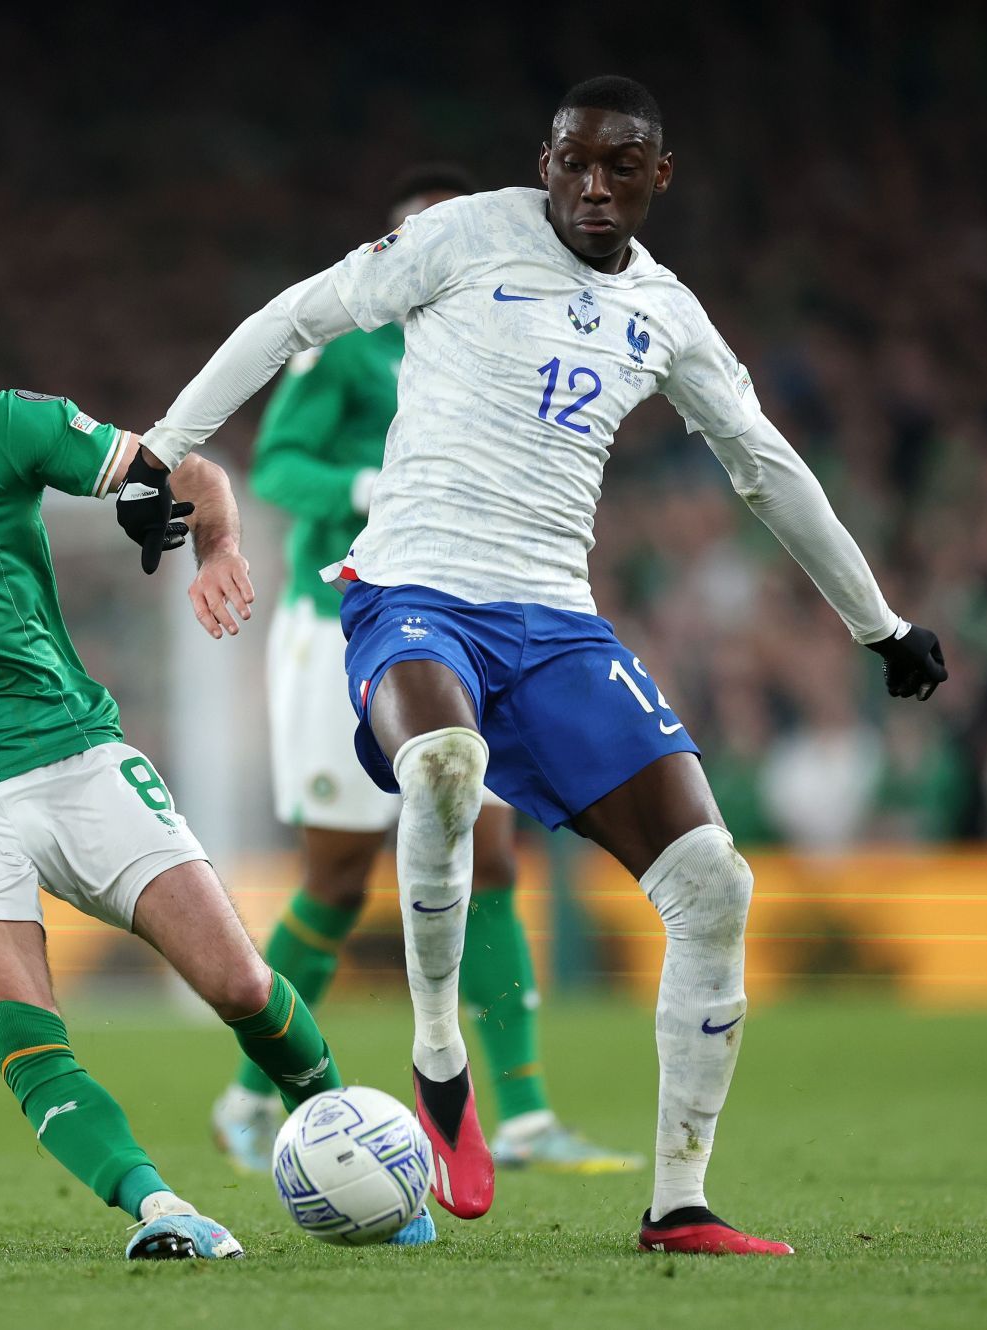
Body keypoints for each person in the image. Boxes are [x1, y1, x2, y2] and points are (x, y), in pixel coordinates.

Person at [116, 76, 947, 1255]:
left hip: (556, 619)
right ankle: (441, 1060)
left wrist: (879, 623)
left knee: (715, 883)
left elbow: (765, 466)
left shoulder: (667, 311)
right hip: (412, 591)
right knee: (447, 766)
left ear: (663, 175)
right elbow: (293, 317)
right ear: (544, 162)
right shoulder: (460, 235)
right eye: (572, 161)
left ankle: (679, 1203)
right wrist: (165, 451)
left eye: (621, 164)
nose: (593, 184)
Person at [0, 236, 431, 1260]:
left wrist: (220, 545)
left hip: (71, 756)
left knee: (238, 985)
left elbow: (189, 469)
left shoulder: (7, 425)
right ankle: (161, 1208)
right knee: (16, 1021)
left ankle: (351, 1133)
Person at [212, 163, 637, 1178]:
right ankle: (244, 1094)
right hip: (340, 624)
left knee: (490, 855)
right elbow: (274, 467)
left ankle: (525, 1114)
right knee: (340, 874)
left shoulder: (506, 340)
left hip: (462, 627)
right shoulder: (351, 342)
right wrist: (372, 479)